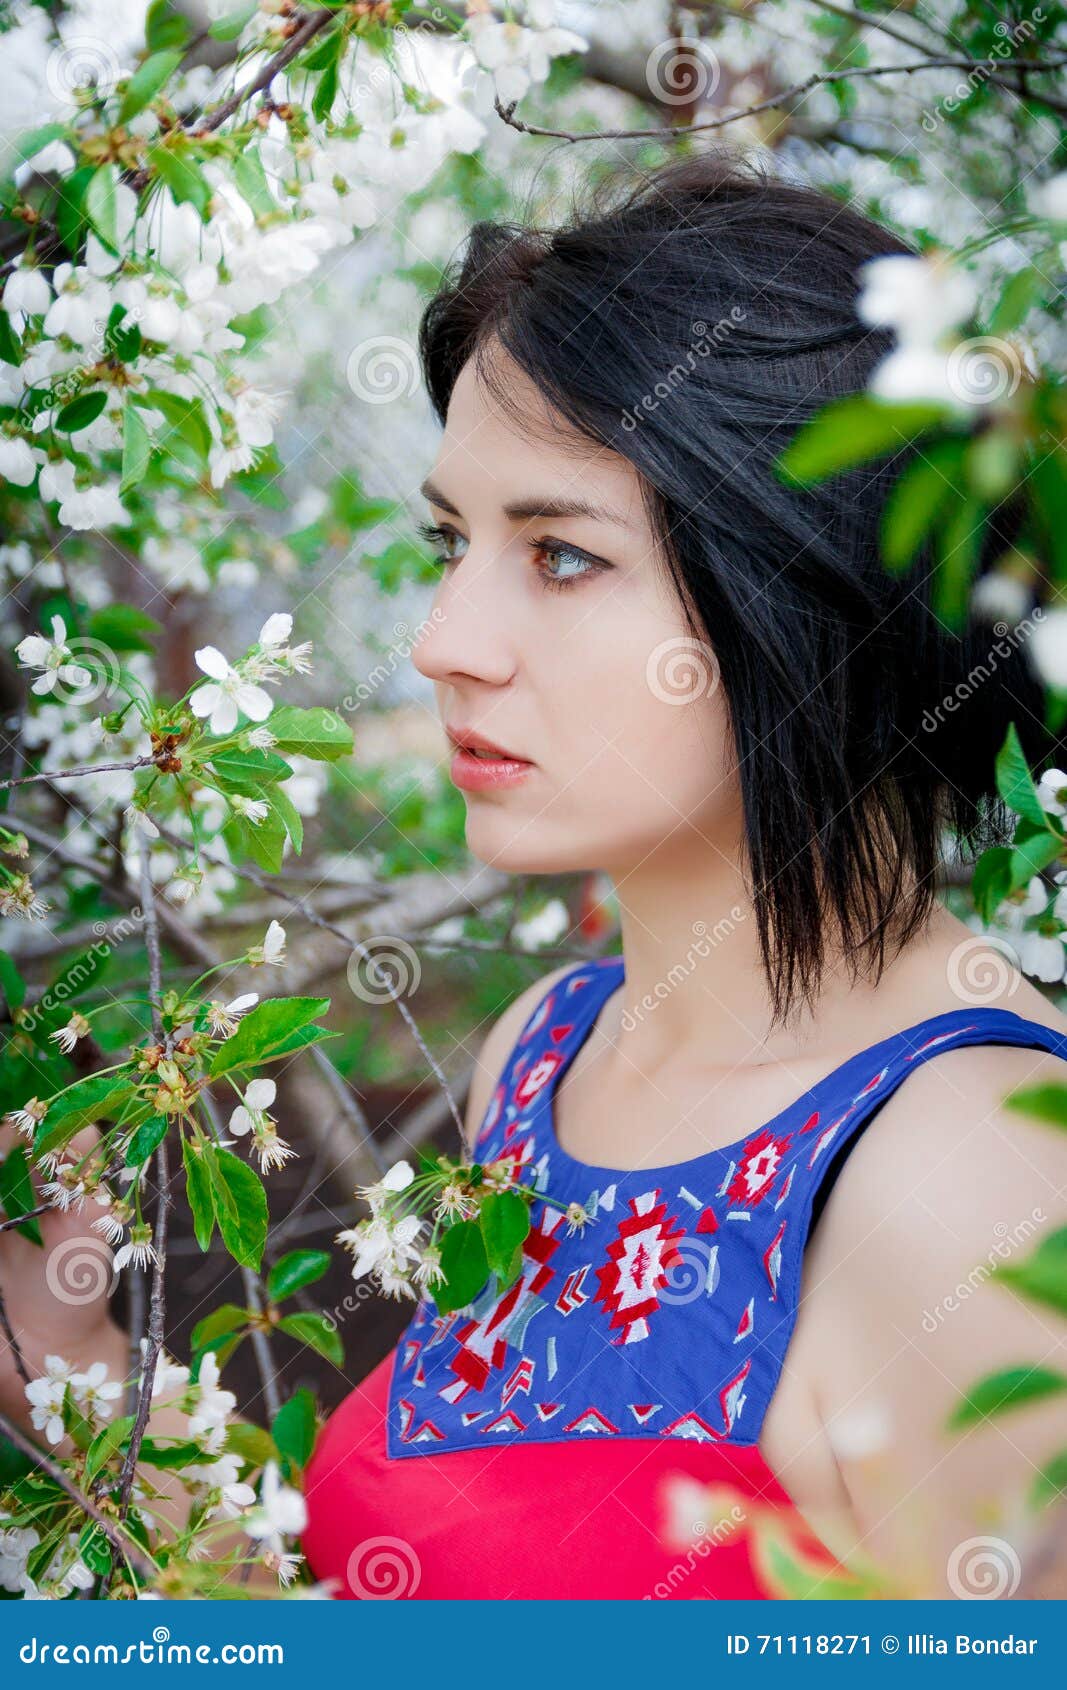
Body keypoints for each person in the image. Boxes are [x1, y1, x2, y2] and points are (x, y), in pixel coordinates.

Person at [3, 148, 1067, 1602]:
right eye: (452, 542)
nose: (444, 639)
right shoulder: (547, 1054)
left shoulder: (977, 1181)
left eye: (561, 556)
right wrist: (72, 1366)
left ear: (807, 582)